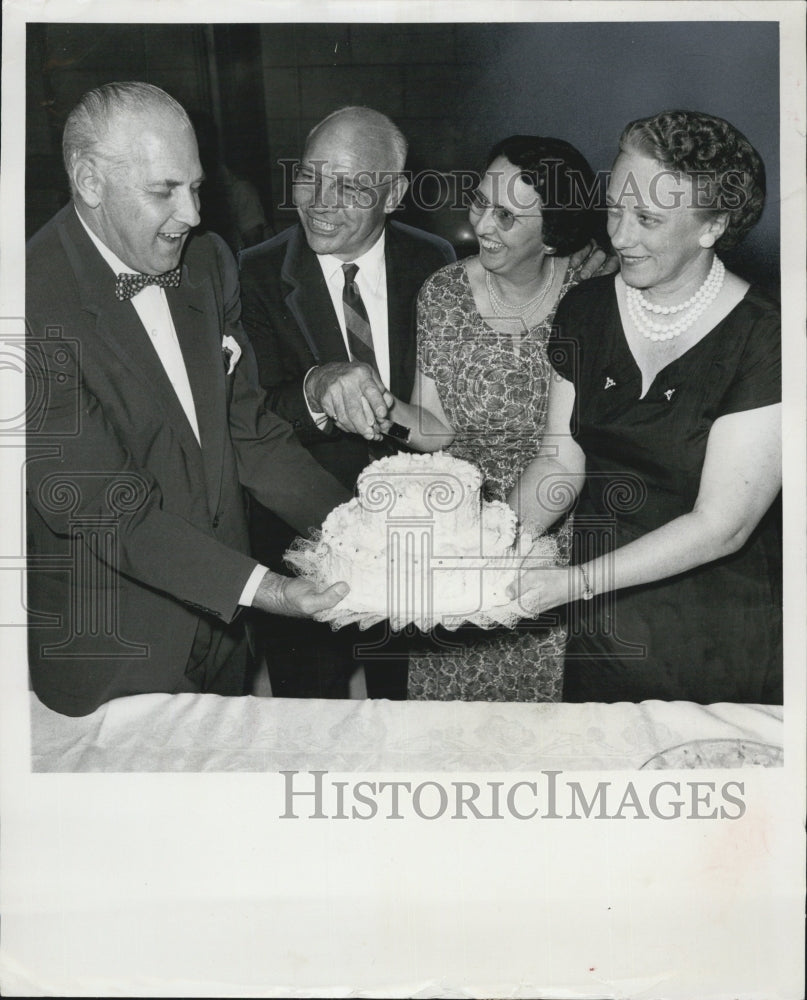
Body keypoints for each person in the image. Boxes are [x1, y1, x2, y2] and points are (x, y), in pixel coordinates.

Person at [25, 82, 351, 718]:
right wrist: (269, 589)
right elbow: (104, 509)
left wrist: (360, 528)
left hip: (225, 632)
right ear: (89, 182)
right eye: (164, 191)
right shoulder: (26, 304)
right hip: (115, 648)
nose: (193, 215)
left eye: (196, 186)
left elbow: (250, 434)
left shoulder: (206, 262)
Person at [509, 110, 781, 704]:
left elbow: (722, 526)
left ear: (712, 226)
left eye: (648, 219)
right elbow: (559, 464)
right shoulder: (586, 309)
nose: (618, 236)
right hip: (602, 626)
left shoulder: (767, 337)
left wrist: (573, 584)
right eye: (614, 207)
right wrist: (490, 547)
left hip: (714, 635)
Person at [238, 106, 457, 699]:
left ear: (394, 193)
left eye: (351, 185)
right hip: (303, 545)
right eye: (310, 175)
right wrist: (317, 388)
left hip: (417, 540)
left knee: (409, 714)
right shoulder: (250, 275)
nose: (320, 201)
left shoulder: (435, 261)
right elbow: (248, 415)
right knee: (312, 726)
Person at [381, 135, 603, 701]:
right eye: (480, 202)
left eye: (508, 215)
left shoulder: (589, 301)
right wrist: (380, 408)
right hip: (457, 533)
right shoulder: (442, 293)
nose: (482, 224)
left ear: (554, 234)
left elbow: (563, 460)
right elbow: (434, 428)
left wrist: (490, 553)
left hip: (547, 540)